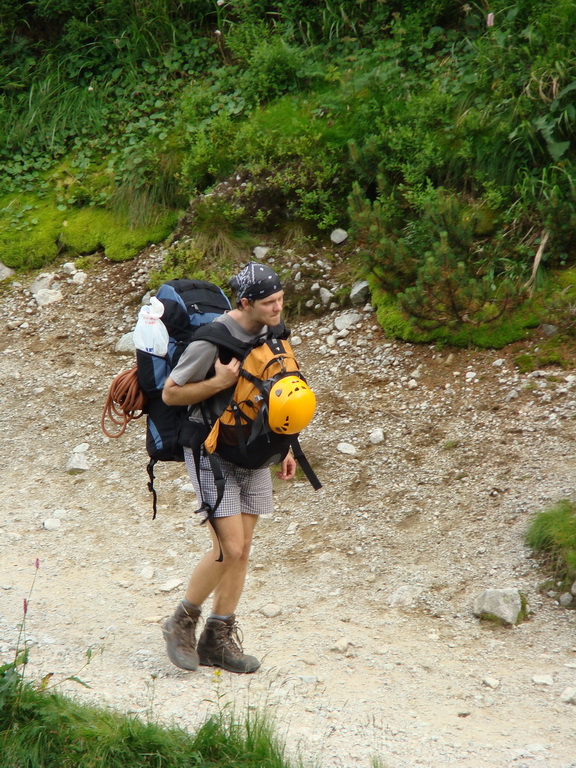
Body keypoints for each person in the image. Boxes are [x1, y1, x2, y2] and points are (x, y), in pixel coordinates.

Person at [161, 263, 297, 674]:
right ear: (246, 303)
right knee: (229, 548)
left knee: (243, 551)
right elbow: (171, 394)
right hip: (209, 449)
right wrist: (220, 382)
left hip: (252, 449)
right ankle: (180, 622)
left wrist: (289, 445)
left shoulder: (272, 331)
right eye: (269, 302)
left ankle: (217, 639)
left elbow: (280, 388)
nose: (277, 308)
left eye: (279, 300)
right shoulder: (213, 340)